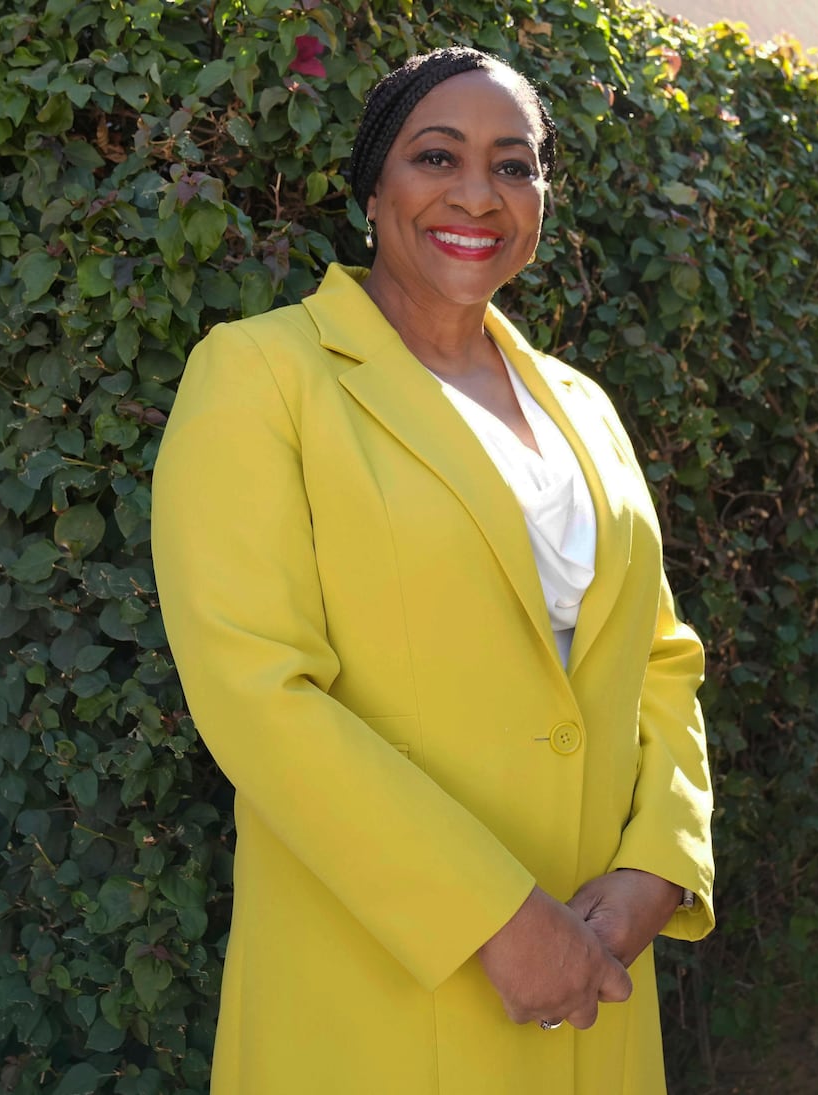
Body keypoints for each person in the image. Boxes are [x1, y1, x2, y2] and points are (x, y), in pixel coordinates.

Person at [151, 45, 715, 1094]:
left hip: (599, 985)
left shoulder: (583, 405)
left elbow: (659, 655)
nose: (476, 194)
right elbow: (257, 693)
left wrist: (660, 865)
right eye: (436, 156)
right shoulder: (263, 374)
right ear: (373, 185)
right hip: (383, 988)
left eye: (514, 165)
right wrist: (495, 917)